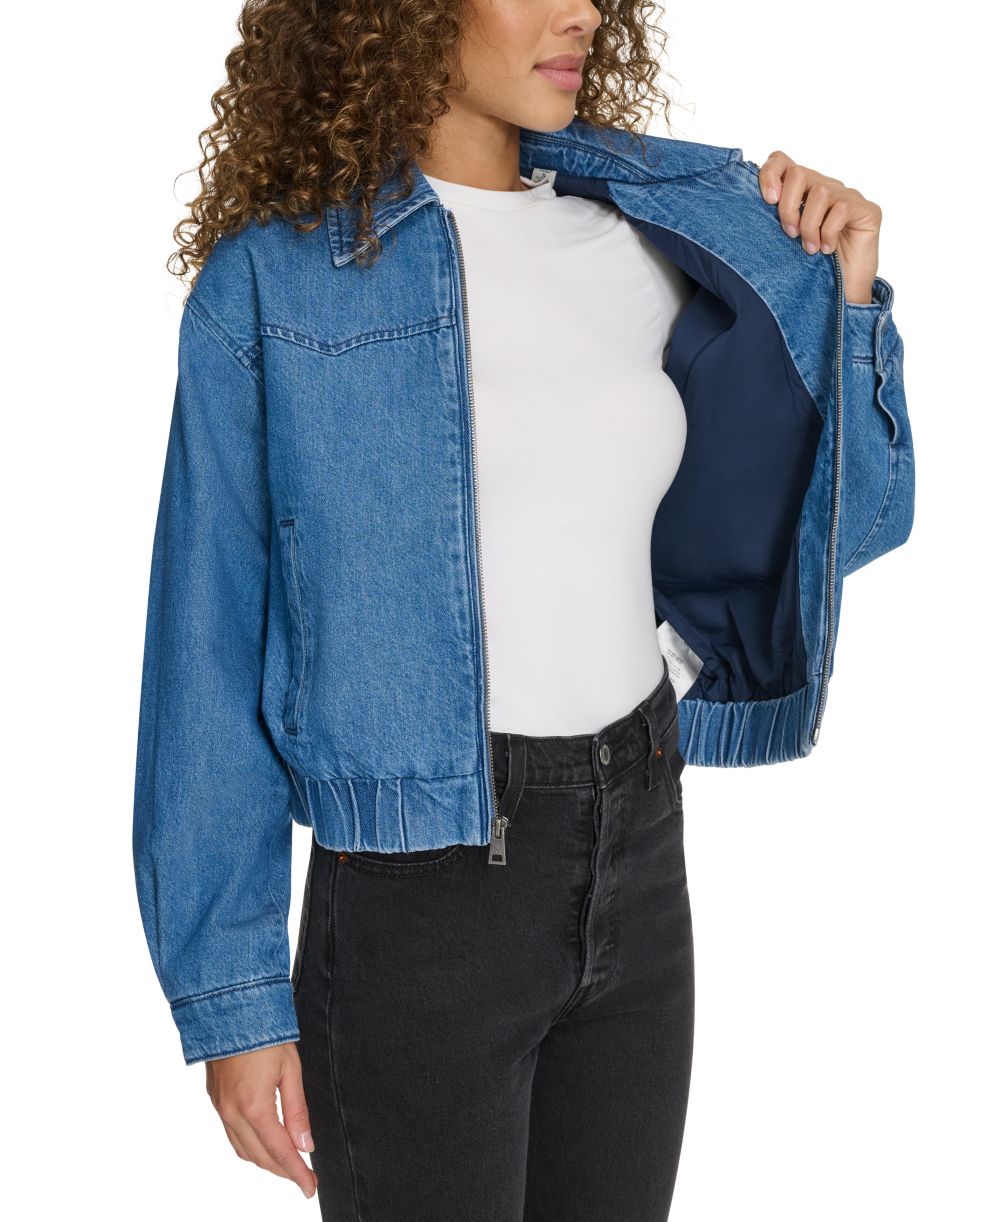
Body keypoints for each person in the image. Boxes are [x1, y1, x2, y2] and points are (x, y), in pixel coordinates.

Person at [132, 1, 914, 1218]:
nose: (583, 10)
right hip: (416, 897)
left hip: (637, 844)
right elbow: (205, 643)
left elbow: (846, 530)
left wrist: (847, 302)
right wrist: (233, 1002)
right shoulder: (276, 285)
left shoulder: (651, 242)